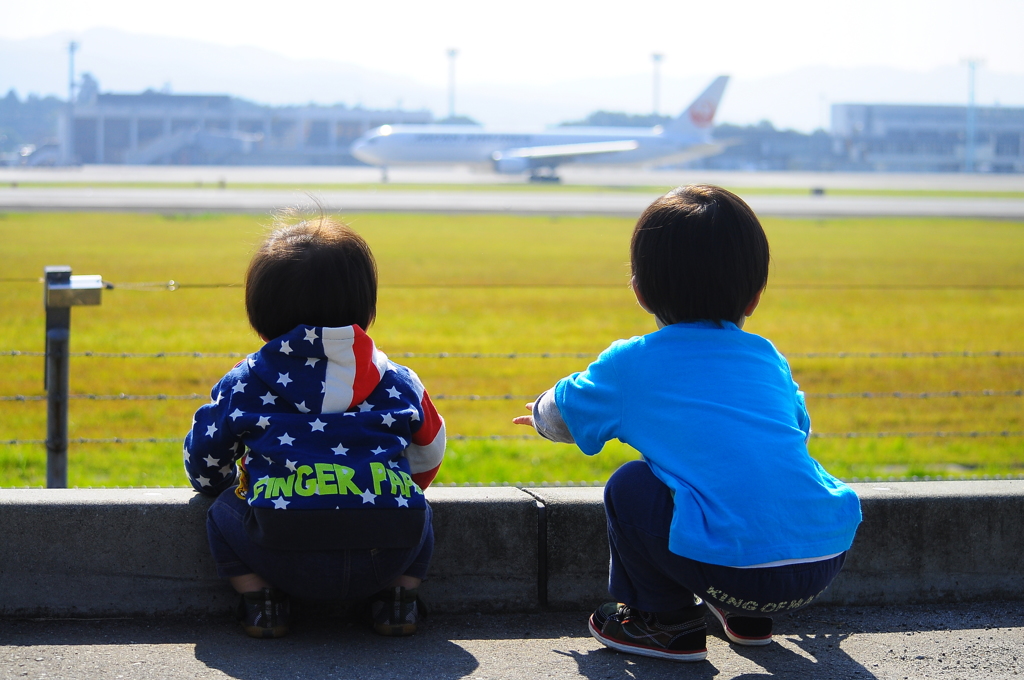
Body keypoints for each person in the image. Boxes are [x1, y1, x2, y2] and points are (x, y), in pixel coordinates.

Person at [514, 185, 861, 662]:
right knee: (732, 487)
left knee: (632, 486)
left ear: (639, 290)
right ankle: (745, 618)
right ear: (756, 296)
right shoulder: (768, 358)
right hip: (822, 558)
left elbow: (568, 412)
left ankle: (664, 622)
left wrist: (537, 415)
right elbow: (797, 430)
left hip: (736, 570)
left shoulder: (633, 363)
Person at [184, 214, 445, 639]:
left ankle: (262, 602)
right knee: (417, 506)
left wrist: (227, 485)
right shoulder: (398, 380)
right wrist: (383, 488)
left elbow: (204, 460)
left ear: (259, 310)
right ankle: (398, 600)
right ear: (367, 305)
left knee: (219, 512)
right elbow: (431, 451)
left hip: (278, 552)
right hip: (387, 554)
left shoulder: (246, 380)